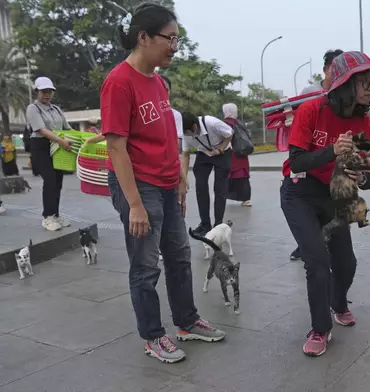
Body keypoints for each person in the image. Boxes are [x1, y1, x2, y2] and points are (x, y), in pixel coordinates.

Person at [101, 3, 226, 364]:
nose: (174, 46)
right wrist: (135, 204)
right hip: (138, 187)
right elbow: (116, 148)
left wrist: (180, 180)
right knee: (146, 265)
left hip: (168, 184)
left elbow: (165, 136)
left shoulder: (157, 80)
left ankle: (187, 321)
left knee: (180, 257)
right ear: (143, 38)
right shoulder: (118, 83)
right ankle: (153, 335)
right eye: (169, 39)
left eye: (177, 40)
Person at [281, 51, 370, 357]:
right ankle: (320, 328)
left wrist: (361, 176)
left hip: (335, 196)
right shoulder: (311, 109)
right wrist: (331, 151)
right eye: (365, 83)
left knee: (346, 264)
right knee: (316, 260)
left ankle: (338, 302)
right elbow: (296, 161)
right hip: (299, 192)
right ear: (345, 85)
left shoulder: (365, 122)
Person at [290, 48, 344, 261]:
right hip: (308, 161)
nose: (338, 74)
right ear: (325, 69)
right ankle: (306, 245)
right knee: (305, 212)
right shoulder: (309, 93)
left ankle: (320, 244)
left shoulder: (345, 97)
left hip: (331, 170)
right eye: (334, 69)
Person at [26, 76, 74, 231]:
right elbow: (41, 130)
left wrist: (84, 138)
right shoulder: (33, 108)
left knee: (58, 182)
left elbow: (67, 129)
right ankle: (47, 217)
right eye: (43, 92)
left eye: (50, 91)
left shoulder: (57, 109)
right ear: (37, 92)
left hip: (57, 146)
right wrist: (62, 142)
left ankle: (56, 215)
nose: (47, 94)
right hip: (41, 146)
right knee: (50, 180)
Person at [180, 112, 233, 236]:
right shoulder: (186, 134)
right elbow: (186, 155)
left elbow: (230, 133)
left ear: (194, 127)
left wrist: (220, 150)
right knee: (201, 187)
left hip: (222, 152)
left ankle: (218, 224)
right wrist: (184, 177)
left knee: (220, 189)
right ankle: (205, 224)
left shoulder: (211, 122)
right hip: (203, 154)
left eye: (187, 132)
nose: (186, 136)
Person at [222, 103, 252, 207]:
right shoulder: (239, 123)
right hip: (242, 154)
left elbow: (225, 138)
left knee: (228, 175)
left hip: (232, 154)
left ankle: (223, 195)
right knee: (243, 177)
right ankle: (246, 199)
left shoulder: (226, 123)